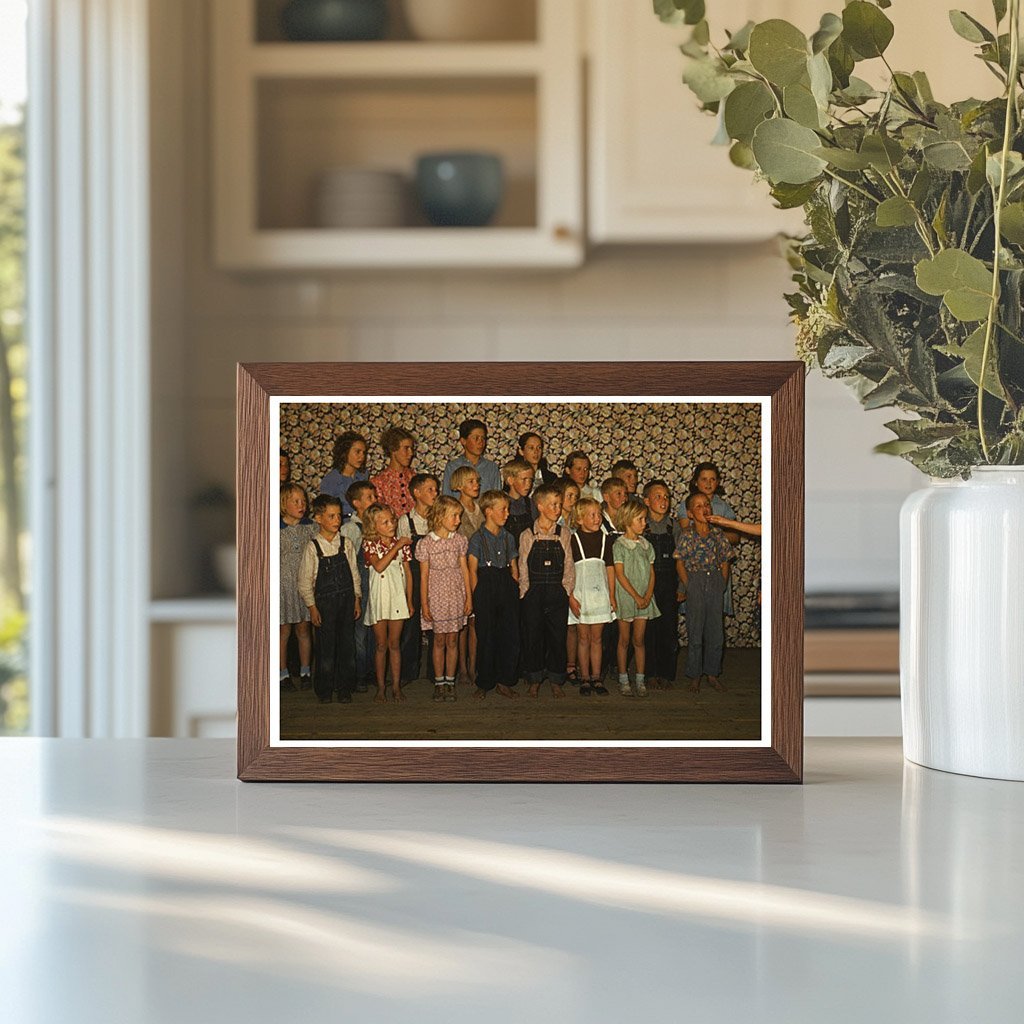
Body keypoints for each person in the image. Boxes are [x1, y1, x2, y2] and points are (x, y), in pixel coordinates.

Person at [298, 494, 362, 705]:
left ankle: (345, 688)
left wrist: (356, 599)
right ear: (318, 518)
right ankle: (324, 689)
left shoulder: (346, 544)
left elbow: (354, 573)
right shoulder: (313, 547)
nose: (337, 521)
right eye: (331, 516)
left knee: (347, 647)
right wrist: (312, 607)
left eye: (339, 516)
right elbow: (305, 581)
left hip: (345, 601)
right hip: (324, 605)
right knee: (326, 649)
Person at [519, 484, 579, 698]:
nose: (557, 508)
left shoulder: (564, 534)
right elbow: (523, 565)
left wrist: (566, 589)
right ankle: (534, 679)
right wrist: (524, 592)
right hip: (533, 592)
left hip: (556, 592)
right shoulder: (528, 534)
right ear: (540, 506)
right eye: (553, 504)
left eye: (559, 504)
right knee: (533, 636)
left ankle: (556, 679)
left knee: (557, 636)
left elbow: (569, 564)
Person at [417, 496, 472, 702]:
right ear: (440, 516)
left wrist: (468, 598)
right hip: (436, 596)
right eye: (454, 516)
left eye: (459, 515)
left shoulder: (459, 540)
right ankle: (439, 682)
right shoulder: (427, 543)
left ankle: (450, 681)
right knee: (439, 640)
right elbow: (423, 576)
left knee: (453, 640)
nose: (458, 520)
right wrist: (424, 603)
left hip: (456, 595)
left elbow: (464, 570)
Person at [676, 492, 732, 693]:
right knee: (696, 630)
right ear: (690, 514)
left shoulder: (718, 534)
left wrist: (721, 582)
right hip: (696, 581)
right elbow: (680, 562)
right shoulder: (687, 535)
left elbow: (725, 561)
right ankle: (695, 674)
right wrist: (688, 584)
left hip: (715, 580)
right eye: (698, 506)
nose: (704, 508)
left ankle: (712, 673)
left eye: (706, 504)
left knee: (716, 632)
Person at [468, 490, 520, 699]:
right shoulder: (477, 538)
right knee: (487, 636)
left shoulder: (508, 537)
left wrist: (514, 588)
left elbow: (514, 567)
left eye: (507, 509)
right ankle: (485, 682)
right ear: (489, 511)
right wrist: (476, 597)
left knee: (509, 635)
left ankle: (505, 680)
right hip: (486, 586)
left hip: (506, 585)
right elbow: (472, 570)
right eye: (503, 509)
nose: (507, 513)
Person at [361, 502, 413, 704]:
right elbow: (380, 566)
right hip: (379, 598)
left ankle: (396, 687)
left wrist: (409, 600)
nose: (391, 524)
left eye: (392, 520)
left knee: (394, 644)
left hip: (397, 597)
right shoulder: (370, 544)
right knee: (381, 644)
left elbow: (408, 574)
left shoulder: (402, 545)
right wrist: (397, 545)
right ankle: (381, 687)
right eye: (385, 522)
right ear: (374, 526)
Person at [678, 461, 739, 616]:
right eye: (704, 479)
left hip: (717, 568)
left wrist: (714, 537)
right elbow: (684, 531)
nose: (708, 483)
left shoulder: (723, 506)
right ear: (695, 482)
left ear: (718, 482)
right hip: (695, 568)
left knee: (715, 616)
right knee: (696, 615)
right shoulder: (687, 503)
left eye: (712, 479)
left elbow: (735, 536)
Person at [612, 498, 660, 697]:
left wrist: (647, 595)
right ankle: (623, 678)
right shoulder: (619, 545)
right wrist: (635, 596)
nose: (644, 523)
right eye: (640, 519)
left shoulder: (646, 545)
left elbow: (651, 572)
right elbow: (620, 574)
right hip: (626, 598)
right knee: (624, 639)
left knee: (639, 640)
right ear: (628, 519)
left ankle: (640, 678)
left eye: (644, 519)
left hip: (644, 599)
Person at [568, 497, 615, 697]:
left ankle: (597, 677)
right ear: (579, 519)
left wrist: (612, 595)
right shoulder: (572, 540)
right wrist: (570, 596)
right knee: (583, 637)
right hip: (580, 595)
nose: (597, 519)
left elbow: (610, 569)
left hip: (599, 596)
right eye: (592, 515)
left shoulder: (606, 539)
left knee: (597, 638)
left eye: (599, 515)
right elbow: (568, 571)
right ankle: (584, 677)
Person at [396, 472, 439, 684]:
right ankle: (408, 672)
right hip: (413, 577)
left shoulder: (438, 519)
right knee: (411, 626)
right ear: (417, 492)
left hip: (436, 578)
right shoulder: (405, 521)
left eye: (436, 489)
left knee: (435, 625)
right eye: (430, 489)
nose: (435, 493)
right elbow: (402, 558)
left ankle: (435, 672)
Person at [643, 480, 683, 690]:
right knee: (648, 630)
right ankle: (650, 673)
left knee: (668, 630)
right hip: (647, 585)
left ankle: (667, 673)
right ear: (647, 501)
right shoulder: (641, 524)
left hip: (669, 584)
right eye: (658, 496)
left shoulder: (673, 527)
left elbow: (681, 560)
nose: (663, 500)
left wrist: (682, 587)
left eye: (666, 496)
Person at [338, 480, 378, 692]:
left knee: (373, 631)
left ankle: (372, 671)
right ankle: (359, 673)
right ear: (356, 503)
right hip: (359, 584)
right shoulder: (350, 529)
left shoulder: (376, 524)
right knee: (360, 633)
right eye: (369, 497)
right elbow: (348, 562)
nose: (375, 501)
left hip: (375, 584)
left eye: (375, 496)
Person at [279, 483, 316, 692]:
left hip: (304, 586)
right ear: (284, 504)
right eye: (295, 501)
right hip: (282, 587)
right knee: (283, 631)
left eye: (303, 501)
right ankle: (282, 674)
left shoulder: (310, 527)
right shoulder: (274, 528)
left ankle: (305, 671)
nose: (301, 505)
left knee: (304, 629)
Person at [451, 465, 483, 685]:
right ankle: (462, 667)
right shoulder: (454, 510)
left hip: (480, 571)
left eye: (477, 481)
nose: (476, 485)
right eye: (471, 482)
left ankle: (474, 665)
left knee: (476, 623)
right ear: (459, 485)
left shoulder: (481, 509)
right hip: (459, 572)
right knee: (462, 622)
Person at [441, 418, 502, 496]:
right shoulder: (452, 467)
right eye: (475, 438)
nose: (481, 442)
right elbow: (447, 498)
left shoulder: (491, 467)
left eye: (483, 438)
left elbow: (497, 498)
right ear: (463, 441)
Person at [319, 430, 369, 519]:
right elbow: (326, 512)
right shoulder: (331, 480)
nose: (362, 456)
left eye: (364, 453)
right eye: (357, 452)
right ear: (345, 452)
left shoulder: (363, 475)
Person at [371, 426, 416, 517]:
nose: (411, 453)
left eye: (411, 448)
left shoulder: (415, 478)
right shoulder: (378, 482)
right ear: (393, 449)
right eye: (406, 448)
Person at [502, 457, 535, 542]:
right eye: (524, 479)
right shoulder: (501, 503)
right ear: (510, 480)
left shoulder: (530, 504)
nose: (528, 484)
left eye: (530, 480)